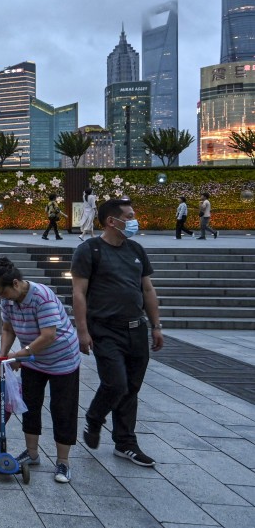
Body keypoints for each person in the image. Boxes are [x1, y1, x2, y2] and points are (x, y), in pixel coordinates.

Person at [71, 198, 164, 467]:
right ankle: (94, 417)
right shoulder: (90, 250)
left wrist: (156, 326)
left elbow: (147, 289)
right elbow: (78, 293)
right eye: (130, 216)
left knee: (131, 389)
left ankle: (125, 443)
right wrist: (82, 331)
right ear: (112, 221)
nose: (135, 220)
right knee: (116, 384)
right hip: (105, 329)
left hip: (137, 329)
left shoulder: (135, 249)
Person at [0, 257, 80, 483]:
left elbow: (49, 335)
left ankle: (63, 462)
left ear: (16, 284)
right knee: (30, 404)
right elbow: (8, 328)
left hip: (62, 359)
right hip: (33, 360)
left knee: (62, 409)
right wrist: (3, 355)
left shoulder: (42, 296)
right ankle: (32, 453)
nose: (1, 297)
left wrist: (19, 354)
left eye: (2, 292)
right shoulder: (8, 301)